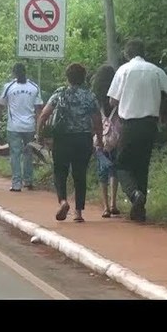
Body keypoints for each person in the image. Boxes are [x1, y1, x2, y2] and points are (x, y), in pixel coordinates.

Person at [107, 38, 167, 222]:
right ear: (143, 52)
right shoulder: (155, 70)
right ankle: (139, 210)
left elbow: (112, 101)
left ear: (126, 53)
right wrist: (163, 109)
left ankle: (134, 195)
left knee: (121, 164)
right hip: (150, 125)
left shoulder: (123, 70)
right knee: (142, 165)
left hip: (129, 125)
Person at [36, 63, 103, 223]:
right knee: (80, 174)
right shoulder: (89, 96)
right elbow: (97, 120)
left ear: (68, 78)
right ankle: (78, 213)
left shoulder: (60, 93)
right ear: (83, 78)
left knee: (60, 171)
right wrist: (99, 138)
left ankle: (63, 201)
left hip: (62, 139)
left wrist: (39, 134)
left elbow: (44, 115)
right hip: (83, 138)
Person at [0, 62, 43, 192]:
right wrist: (38, 127)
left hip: (14, 126)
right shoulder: (34, 87)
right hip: (29, 126)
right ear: (25, 72)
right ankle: (28, 181)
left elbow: (2, 102)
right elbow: (38, 108)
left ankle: (16, 183)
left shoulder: (9, 87)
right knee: (28, 153)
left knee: (15, 154)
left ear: (14, 73)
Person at [91, 64, 121, 218]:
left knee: (102, 170)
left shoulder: (95, 97)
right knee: (114, 169)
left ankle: (105, 207)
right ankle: (113, 203)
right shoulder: (117, 95)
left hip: (100, 136)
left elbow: (93, 117)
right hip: (117, 136)